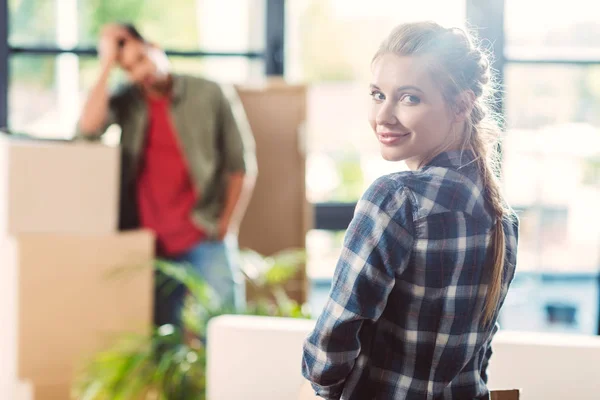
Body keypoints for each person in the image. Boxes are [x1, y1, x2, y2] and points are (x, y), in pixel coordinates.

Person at [302, 22, 519, 400]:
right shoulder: (502, 218)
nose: (384, 116)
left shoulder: (396, 198)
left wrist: (323, 387)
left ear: (462, 104)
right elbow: (478, 355)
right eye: (377, 94)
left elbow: (332, 343)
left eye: (409, 98)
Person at [76, 23, 257, 329]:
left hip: (205, 235)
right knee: (162, 344)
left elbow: (240, 164)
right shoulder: (128, 100)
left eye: (142, 59)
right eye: (129, 68)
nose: (139, 73)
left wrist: (228, 223)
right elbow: (87, 131)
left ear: (156, 49)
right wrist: (107, 63)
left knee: (225, 331)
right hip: (151, 245)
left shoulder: (209, 92)